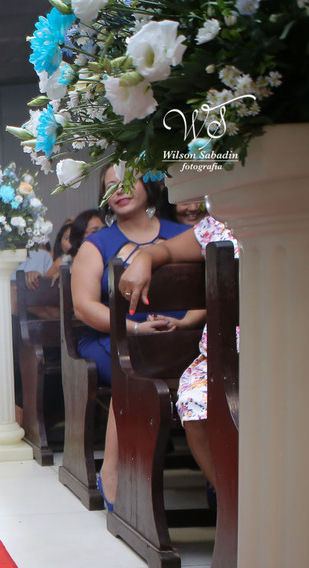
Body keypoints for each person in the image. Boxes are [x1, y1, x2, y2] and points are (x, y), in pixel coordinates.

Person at [70, 164, 203, 511]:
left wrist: (186, 322)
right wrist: (136, 329)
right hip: (114, 338)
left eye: (128, 180)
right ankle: (112, 471)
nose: (120, 189)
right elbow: (84, 308)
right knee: (133, 363)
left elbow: (217, 290)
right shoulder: (95, 246)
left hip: (183, 337)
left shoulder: (185, 235)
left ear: (149, 184)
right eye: (110, 185)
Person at [118, 216, 239, 496]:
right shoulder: (219, 223)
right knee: (195, 401)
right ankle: (232, 501)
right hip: (222, 356)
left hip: (283, 344)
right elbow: (168, 250)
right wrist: (144, 258)